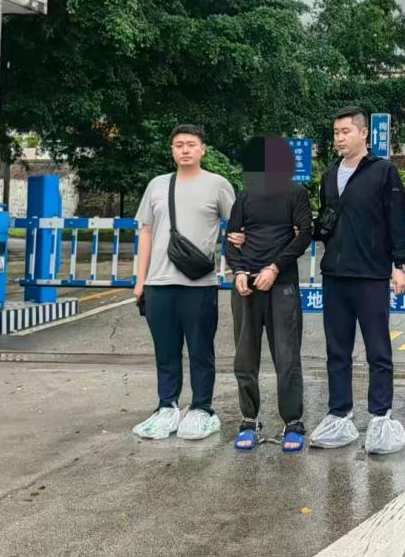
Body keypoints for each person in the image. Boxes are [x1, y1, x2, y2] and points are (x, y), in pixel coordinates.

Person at [309, 107, 405, 453]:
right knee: (337, 350)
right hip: (335, 274)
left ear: (364, 133)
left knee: (378, 350)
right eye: (336, 132)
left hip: (371, 274)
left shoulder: (383, 172)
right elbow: (327, 220)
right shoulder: (329, 174)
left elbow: (397, 220)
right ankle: (339, 415)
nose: (339, 138)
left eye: (346, 131)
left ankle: (380, 417)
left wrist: (400, 265)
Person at [131, 124, 236, 440]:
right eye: (179, 145)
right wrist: (140, 280)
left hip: (199, 284)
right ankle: (167, 406)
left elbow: (237, 226)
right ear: (172, 150)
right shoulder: (158, 185)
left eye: (191, 144)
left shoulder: (218, 185)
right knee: (165, 351)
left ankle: (202, 408)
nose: (185, 150)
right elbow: (146, 232)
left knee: (201, 350)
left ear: (203, 149)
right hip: (159, 283)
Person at [224, 136, 313, 453]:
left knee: (287, 357)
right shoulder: (245, 196)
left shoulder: (295, 193)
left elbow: (304, 234)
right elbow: (230, 239)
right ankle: (249, 420)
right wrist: (238, 271)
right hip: (246, 287)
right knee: (244, 357)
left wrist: (274, 268)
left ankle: (293, 422)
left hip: (281, 284)